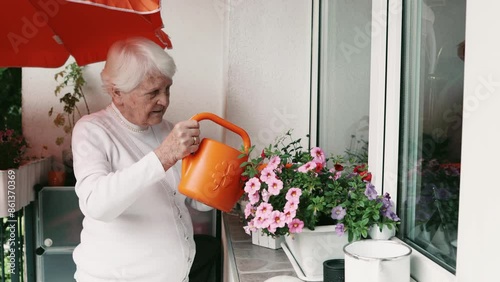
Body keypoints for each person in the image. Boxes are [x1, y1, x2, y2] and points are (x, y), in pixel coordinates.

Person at [71, 37, 217, 282]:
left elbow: (197, 202)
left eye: (167, 88)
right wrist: (163, 157)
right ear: (118, 93)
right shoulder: (92, 130)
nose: (165, 100)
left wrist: (219, 178)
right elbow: (96, 204)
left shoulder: (166, 130)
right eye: (154, 92)